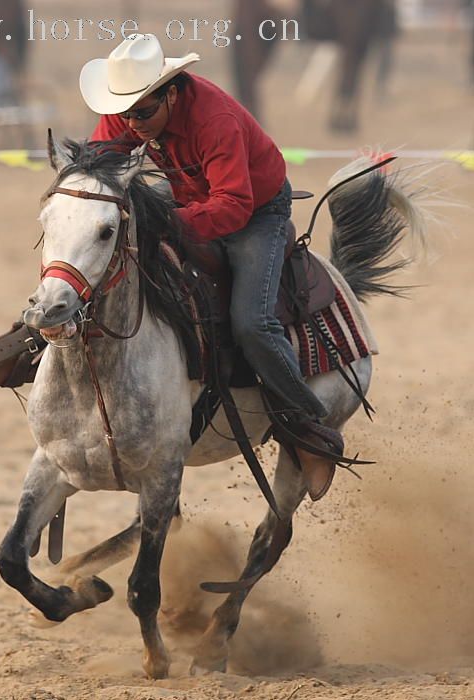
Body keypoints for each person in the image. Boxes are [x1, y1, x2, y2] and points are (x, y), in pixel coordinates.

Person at [79, 34, 346, 499]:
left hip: (255, 213)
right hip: (190, 201)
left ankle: (310, 427)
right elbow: (100, 163)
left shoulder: (215, 119)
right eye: (124, 114)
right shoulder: (129, 110)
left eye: (142, 113)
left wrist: (161, 222)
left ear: (172, 93)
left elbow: (233, 206)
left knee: (253, 323)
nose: (132, 124)